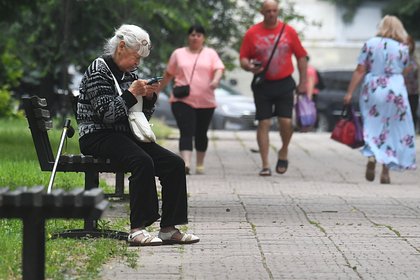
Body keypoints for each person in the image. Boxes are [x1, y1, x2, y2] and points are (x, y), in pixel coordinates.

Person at [76, 24, 199, 246]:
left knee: (174, 163)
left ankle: (169, 228)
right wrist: (132, 93)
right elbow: (108, 116)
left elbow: (140, 115)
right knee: (141, 161)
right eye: (136, 57)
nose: (137, 63)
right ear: (121, 46)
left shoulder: (129, 73)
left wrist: (149, 98)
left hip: (125, 135)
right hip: (97, 135)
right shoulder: (98, 71)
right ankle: (137, 229)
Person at [344, 15, 417, 184]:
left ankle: (371, 156)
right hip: (395, 89)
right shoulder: (402, 48)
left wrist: (349, 93)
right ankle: (385, 171)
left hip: (374, 88)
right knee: (392, 129)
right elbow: (406, 70)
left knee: (372, 126)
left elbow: (360, 70)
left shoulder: (370, 44)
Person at [239, 0, 307, 176]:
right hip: (263, 84)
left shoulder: (289, 31)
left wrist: (304, 82)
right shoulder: (253, 33)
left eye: (274, 10)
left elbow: (301, 57)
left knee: (286, 122)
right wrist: (249, 67)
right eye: (268, 11)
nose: (271, 14)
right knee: (264, 122)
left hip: (284, 82)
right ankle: (265, 164)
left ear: (278, 12)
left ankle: (283, 150)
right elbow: (243, 58)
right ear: (262, 12)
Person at [158, 24, 225, 175]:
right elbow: (168, 74)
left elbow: (219, 69)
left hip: (206, 101)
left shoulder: (210, 53)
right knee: (186, 131)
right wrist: (157, 91)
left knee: (201, 133)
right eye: (192, 35)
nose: (195, 37)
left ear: (203, 38)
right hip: (182, 100)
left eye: (199, 35)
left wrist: (215, 80)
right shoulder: (178, 53)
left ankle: (200, 164)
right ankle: (186, 163)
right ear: (188, 37)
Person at [403, 35, 419, 131]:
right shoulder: (399, 58)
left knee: (412, 114)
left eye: (408, 43)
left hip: (414, 91)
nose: (406, 46)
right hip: (402, 91)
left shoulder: (414, 58)